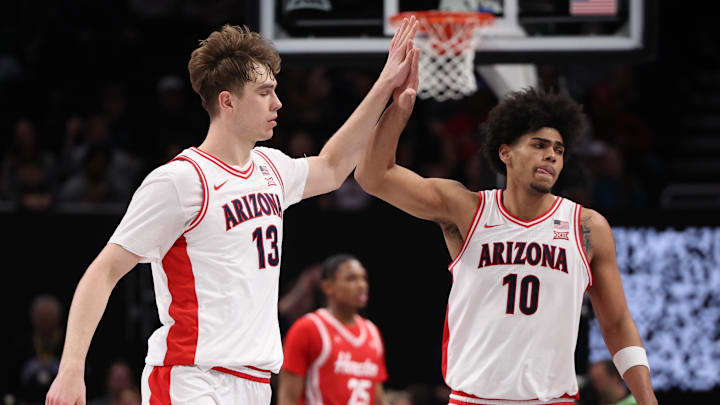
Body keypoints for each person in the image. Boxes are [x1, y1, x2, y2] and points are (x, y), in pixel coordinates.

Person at [46, 18, 419, 405]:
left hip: (254, 383)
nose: (278, 102)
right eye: (265, 92)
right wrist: (72, 368)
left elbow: (333, 166)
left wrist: (384, 87)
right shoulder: (180, 181)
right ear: (228, 101)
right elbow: (103, 271)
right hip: (193, 378)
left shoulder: (271, 168)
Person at [354, 80, 657, 403]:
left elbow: (616, 323)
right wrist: (399, 110)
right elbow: (372, 176)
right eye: (539, 145)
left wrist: (646, 398)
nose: (551, 155)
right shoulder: (467, 209)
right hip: (474, 398)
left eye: (558, 149)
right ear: (506, 152)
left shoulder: (587, 226)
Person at [278, 254, 388, 405]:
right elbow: (287, 398)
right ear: (327, 287)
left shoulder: (372, 332)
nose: (362, 285)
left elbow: (378, 397)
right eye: (351, 279)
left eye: (363, 278)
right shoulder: (307, 328)